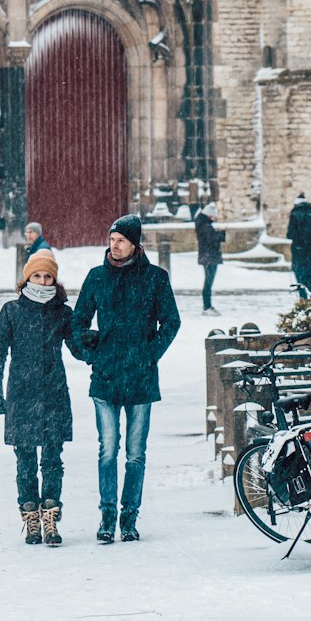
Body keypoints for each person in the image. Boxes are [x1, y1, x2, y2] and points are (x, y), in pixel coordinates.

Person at [72, 213, 181, 544]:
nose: (113, 245)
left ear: (135, 244)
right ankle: (106, 516)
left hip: (141, 379)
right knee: (108, 449)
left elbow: (171, 321)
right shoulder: (96, 277)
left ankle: (129, 517)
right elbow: (77, 323)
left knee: (135, 453)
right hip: (105, 377)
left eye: (120, 240)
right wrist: (92, 352)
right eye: (111, 239)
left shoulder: (155, 278)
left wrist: (149, 354)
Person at [0, 250, 87, 547]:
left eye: (48, 276)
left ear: (54, 281)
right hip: (21, 394)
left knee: (53, 460)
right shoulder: (11, 311)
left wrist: (100, 337)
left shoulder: (62, 313)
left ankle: (51, 517)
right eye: (37, 275)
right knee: (26, 461)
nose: (42, 281)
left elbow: (79, 349)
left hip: (54, 393)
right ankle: (31, 517)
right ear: (26, 278)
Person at [286, 192, 311, 300]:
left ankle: (303, 304)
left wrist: (300, 240)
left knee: (301, 282)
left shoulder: (294, 216)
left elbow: (290, 235)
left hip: (299, 254)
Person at [194, 201, 225, 314]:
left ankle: (207, 306)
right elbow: (212, 240)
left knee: (208, 282)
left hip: (208, 256)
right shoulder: (205, 226)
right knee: (208, 282)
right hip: (209, 257)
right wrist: (221, 233)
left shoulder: (203, 224)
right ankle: (207, 306)